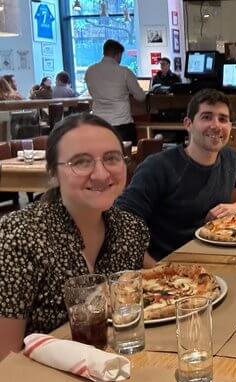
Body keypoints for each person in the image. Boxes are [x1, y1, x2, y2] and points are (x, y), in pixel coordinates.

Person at [0, 113, 149, 361]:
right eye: (81, 162)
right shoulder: (19, 236)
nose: (101, 174)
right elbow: (5, 360)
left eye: (111, 158)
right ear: (53, 174)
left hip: (114, 368)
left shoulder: (131, 229)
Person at [116, 89, 236, 263]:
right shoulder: (158, 167)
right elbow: (121, 225)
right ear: (188, 124)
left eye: (223, 119)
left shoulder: (231, 159)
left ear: (230, 126)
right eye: (206, 117)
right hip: (171, 268)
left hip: (218, 257)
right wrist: (153, 269)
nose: (216, 125)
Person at [85, 39, 146, 144]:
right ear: (118, 55)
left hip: (99, 123)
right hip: (122, 124)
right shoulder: (124, 72)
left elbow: (92, 93)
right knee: (126, 155)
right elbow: (140, 97)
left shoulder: (90, 71)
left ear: (104, 52)